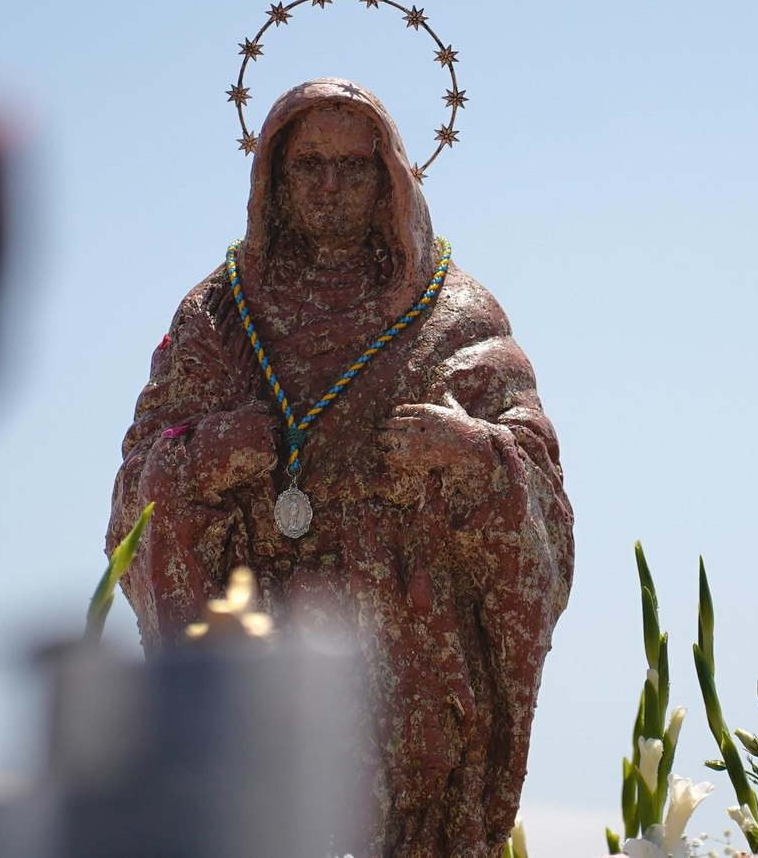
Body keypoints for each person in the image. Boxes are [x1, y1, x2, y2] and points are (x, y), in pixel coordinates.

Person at [105, 78, 574, 858]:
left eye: (352, 168)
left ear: (390, 174)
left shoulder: (452, 313)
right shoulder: (217, 319)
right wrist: (209, 452)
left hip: (410, 658)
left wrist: (469, 454)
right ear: (274, 178)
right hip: (255, 644)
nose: (329, 188)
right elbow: (136, 493)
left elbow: (539, 494)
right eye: (308, 166)